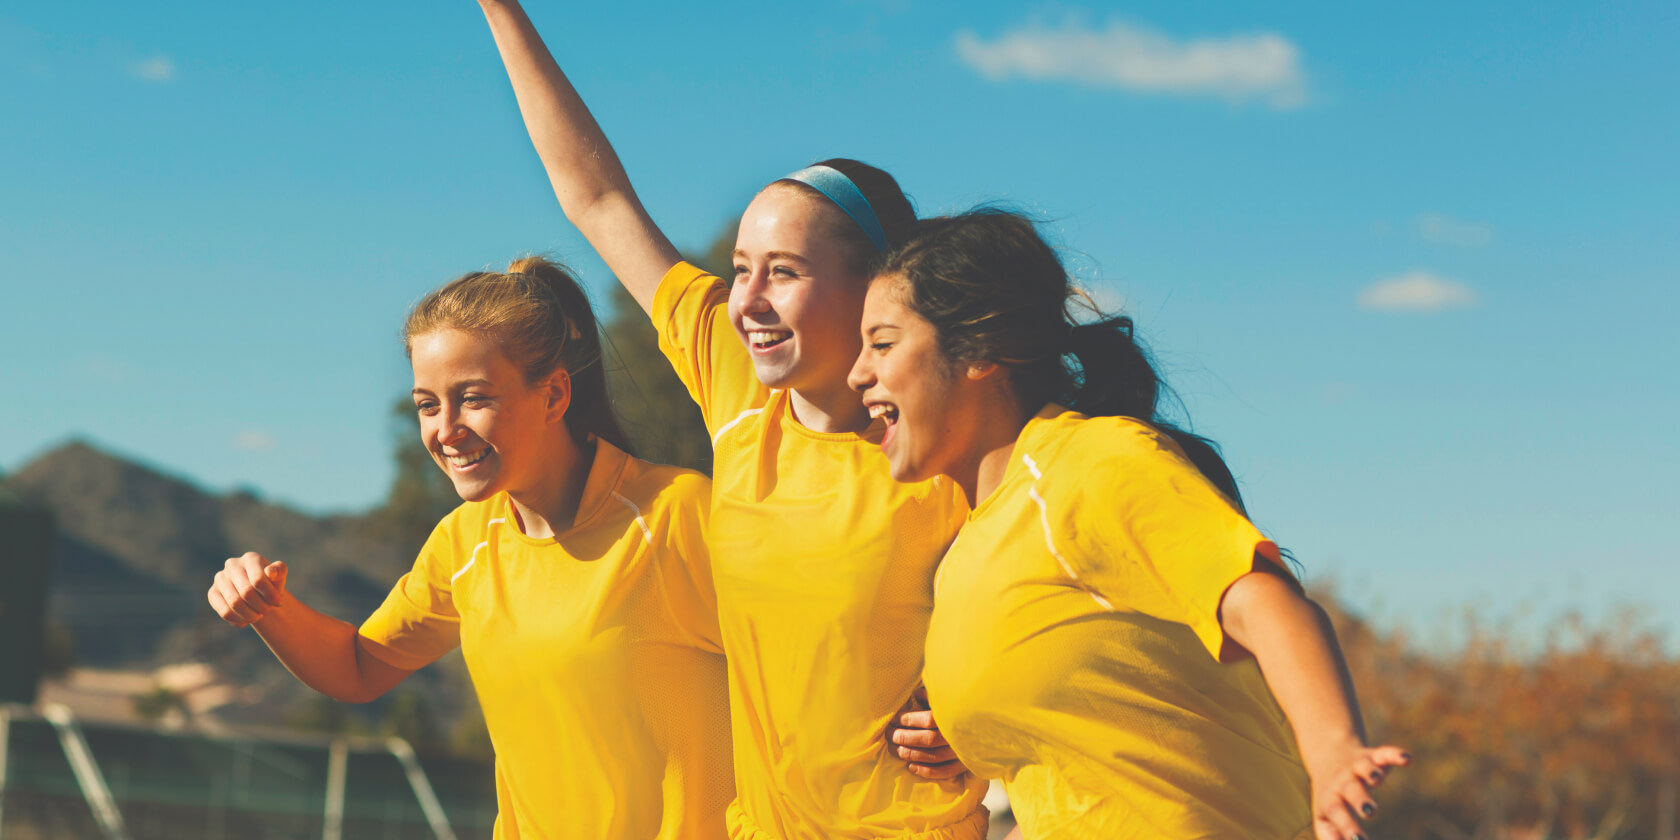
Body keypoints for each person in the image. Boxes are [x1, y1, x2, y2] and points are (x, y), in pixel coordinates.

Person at [474, 3, 989, 838]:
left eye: (781, 273)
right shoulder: (739, 389)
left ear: (874, 289)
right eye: (740, 268)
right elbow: (596, 195)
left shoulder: (952, 451)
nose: (744, 300)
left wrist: (976, 717)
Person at [847, 210, 1412, 840]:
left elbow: (1266, 604)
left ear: (980, 352)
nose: (857, 373)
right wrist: (968, 733)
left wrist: (1332, 750)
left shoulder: (1093, 464)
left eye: (883, 343)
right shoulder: (965, 550)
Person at [207, 257, 732, 839]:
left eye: (472, 398)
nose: (445, 429)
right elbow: (359, 667)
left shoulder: (677, 514)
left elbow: (805, 694)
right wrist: (268, 608)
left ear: (555, 394)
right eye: (428, 405)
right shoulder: (463, 541)